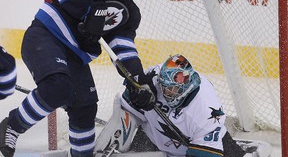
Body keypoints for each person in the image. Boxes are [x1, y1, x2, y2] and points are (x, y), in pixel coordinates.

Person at [0, 0, 158, 157]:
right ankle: (11, 126)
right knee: (59, 87)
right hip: (47, 36)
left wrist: (138, 80)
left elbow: (123, 47)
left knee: (85, 107)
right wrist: (89, 12)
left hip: (75, 57)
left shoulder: (131, 14)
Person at [94, 54, 272, 157]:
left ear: (186, 86)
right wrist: (136, 94)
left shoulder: (206, 109)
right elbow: (126, 109)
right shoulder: (153, 79)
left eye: (171, 89)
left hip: (198, 145)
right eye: (164, 87)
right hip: (153, 137)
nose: (165, 93)